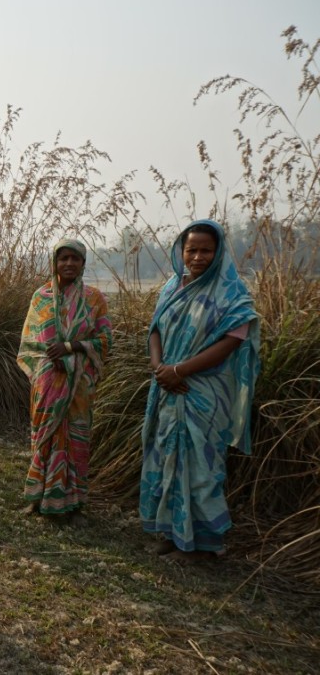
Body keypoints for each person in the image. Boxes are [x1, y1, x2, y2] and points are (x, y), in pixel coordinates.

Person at [140, 219, 260, 564]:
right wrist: (160, 368)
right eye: (191, 249)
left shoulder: (231, 293)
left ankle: (203, 546)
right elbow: (155, 330)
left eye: (205, 250)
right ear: (182, 251)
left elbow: (230, 344)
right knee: (166, 457)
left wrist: (180, 370)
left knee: (201, 466)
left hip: (204, 391)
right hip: (167, 386)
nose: (197, 256)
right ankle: (173, 533)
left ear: (218, 252)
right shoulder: (171, 287)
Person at [16, 239, 112, 525]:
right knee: (44, 437)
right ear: (54, 262)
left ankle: (74, 505)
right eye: (63, 258)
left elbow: (105, 340)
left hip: (79, 383)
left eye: (75, 259)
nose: (69, 264)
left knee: (76, 440)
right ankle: (40, 498)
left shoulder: (94, 299)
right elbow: (29, 343)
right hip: (47, 381)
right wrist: (48, 361)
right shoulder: (41, 296)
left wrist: (70, 348)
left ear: (83, 263)